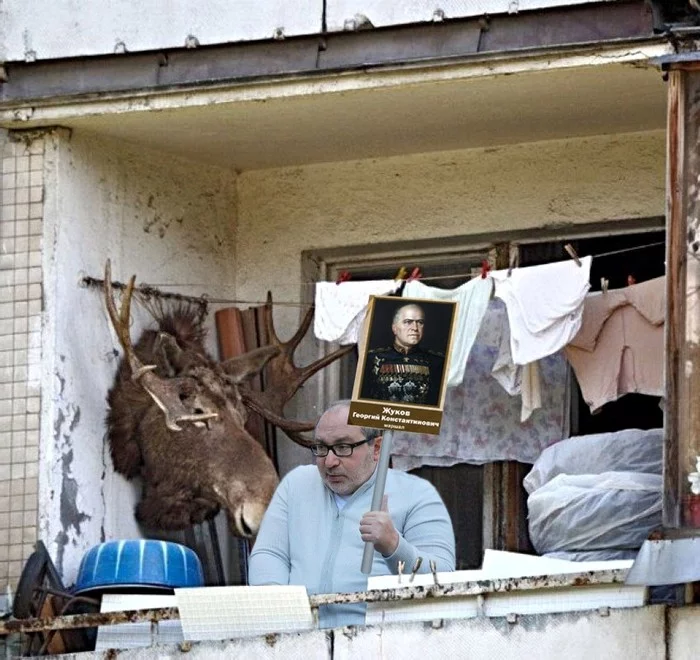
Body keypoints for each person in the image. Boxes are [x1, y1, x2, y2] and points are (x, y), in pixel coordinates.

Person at [248, 400, 455, 628]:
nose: (330, 461)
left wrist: (394, 545)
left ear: (376, 448)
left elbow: (444, 579)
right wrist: (280, 618)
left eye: (343, 448)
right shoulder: (297, 485)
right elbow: (269, 554)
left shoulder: (417, 495)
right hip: (303, 639)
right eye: (321, 447)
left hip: (381, 642)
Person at [359, 303, 446, 406]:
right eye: (408, 322)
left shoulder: (437, 361)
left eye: (420, 322)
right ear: (394, 328)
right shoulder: (371, 359)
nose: (415, 328)